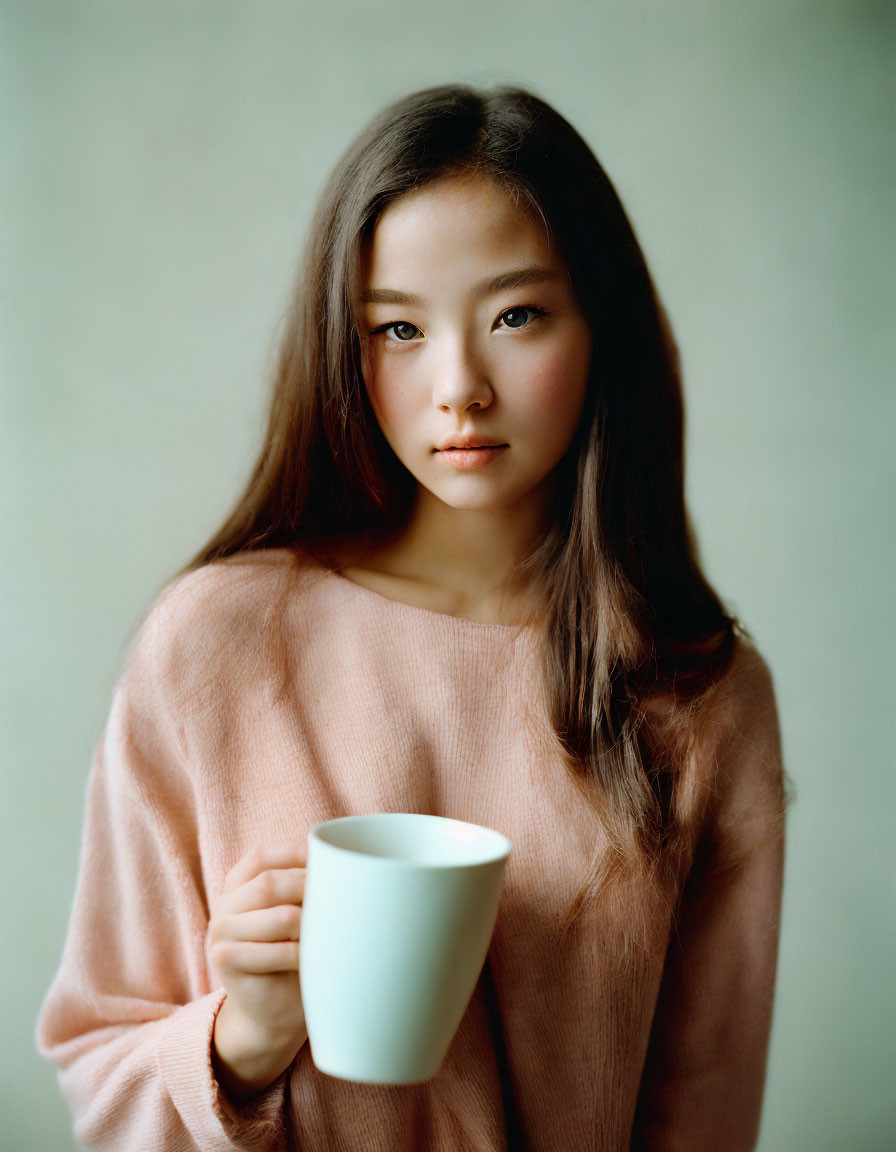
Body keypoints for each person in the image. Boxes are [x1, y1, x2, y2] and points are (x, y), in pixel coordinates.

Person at [36, 83, 791, 1151]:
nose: (458, 388)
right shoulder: (214, 644)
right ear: (345, 349)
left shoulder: (701, 693)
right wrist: (240, 1039)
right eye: (396, 328)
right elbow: (99, 1076)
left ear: (600, 325)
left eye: (515, 315)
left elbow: (701, 1112)